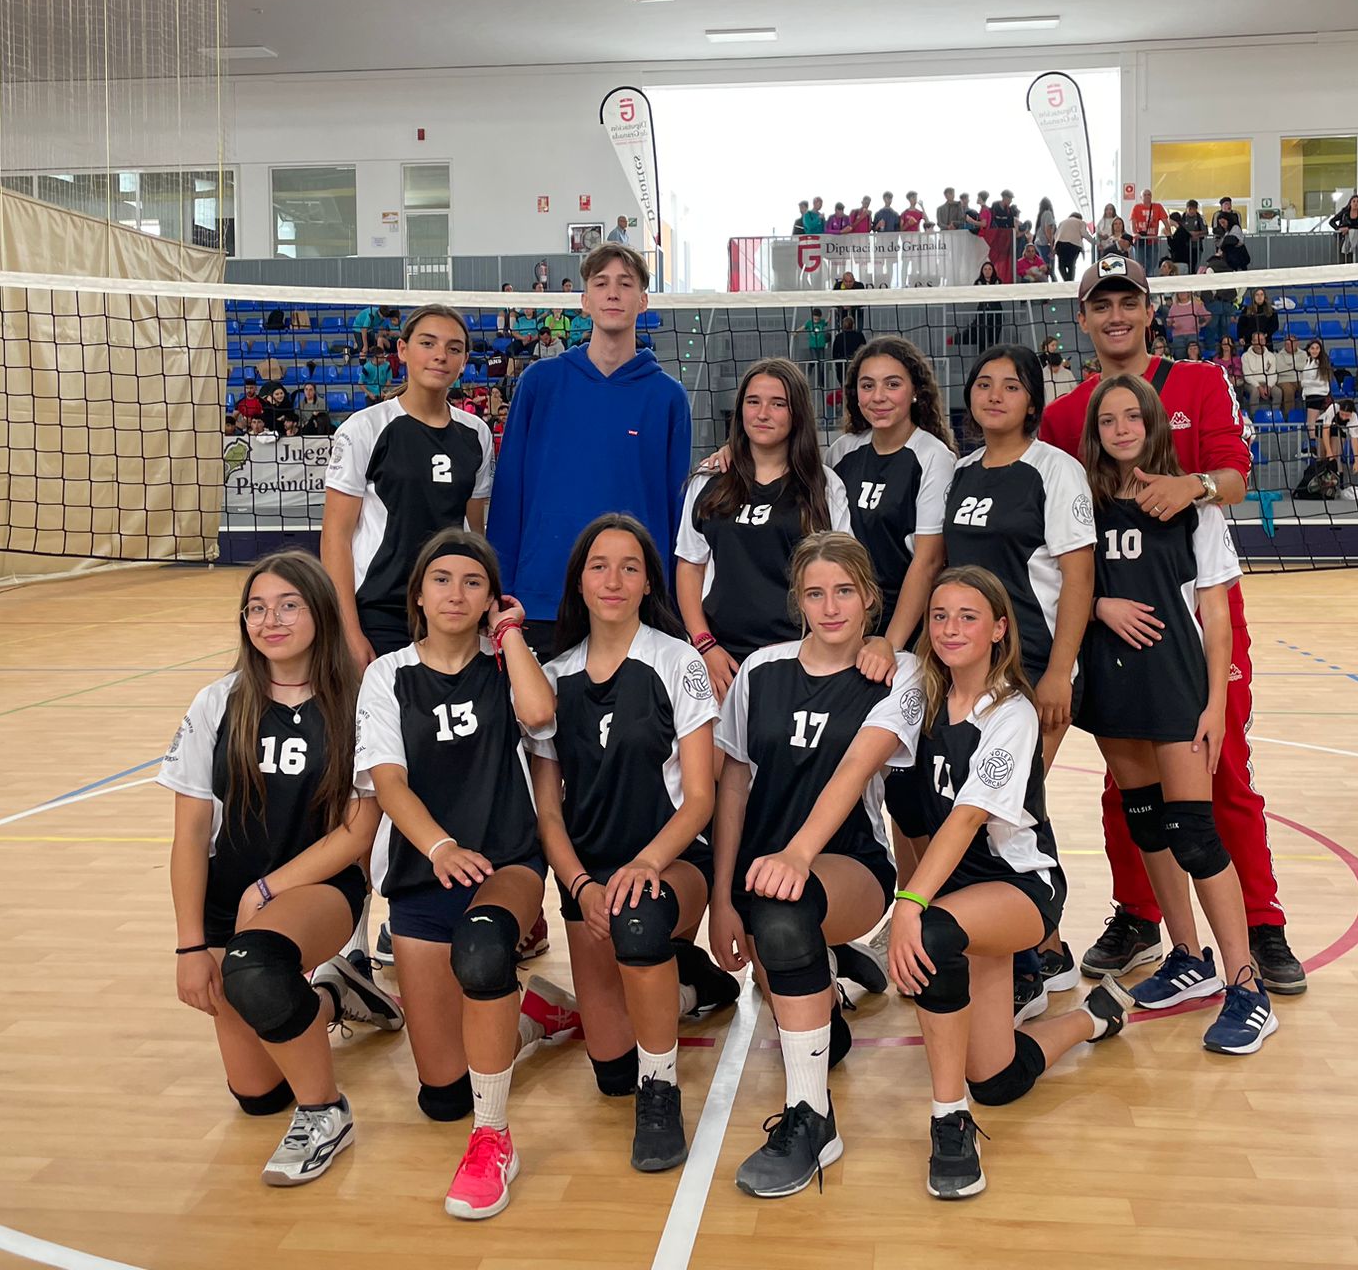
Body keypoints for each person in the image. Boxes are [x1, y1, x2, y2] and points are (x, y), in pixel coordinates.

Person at [1038, 251, 1304, 996]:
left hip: (1193, 610)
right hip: (1108, 620)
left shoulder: (1198, 382)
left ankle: (1261, 922)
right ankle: (1140, 914)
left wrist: (1193, 486)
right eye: (1101, 304)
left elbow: (1234, 476)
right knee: (1125, 786)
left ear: (1151, 310)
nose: (1116, 315)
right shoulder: (1064, 415)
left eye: (1129, 301)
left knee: (1222, 767)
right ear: (1083, 319)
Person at [883, 567, 1125, 1199]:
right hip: (958, 894)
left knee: (930, 936)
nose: (950, 628)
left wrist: (908, 903)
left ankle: (948, 1121)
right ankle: (1092, 1019)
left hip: (1020, 888)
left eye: (968, 616)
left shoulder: (1012, 713)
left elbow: (966, 819)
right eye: (939, 615)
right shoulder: (918, 692)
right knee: (997, 1079)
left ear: (998, 629)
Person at [162, 552, 391, 1187]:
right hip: (228, 899)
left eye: (289, 605)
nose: (271, 620)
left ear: (320, 612)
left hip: (318, 888)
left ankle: (325, 1113)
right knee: (258, 1096)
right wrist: (189, 946)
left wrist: (269, 889)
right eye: (257, 608)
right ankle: (337, 994)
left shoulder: (358, 702)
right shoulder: (218, 702)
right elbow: (189, 836)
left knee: (256, 970)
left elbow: (358, 832)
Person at [711, 533, 928, 1196]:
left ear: (869, 598)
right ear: (797, 601)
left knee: (784, 916)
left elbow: (859, 765)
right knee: (807, 1010)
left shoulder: (900, 673)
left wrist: (799, 854)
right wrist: (721, 898)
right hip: (762, 873)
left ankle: (812, 1120)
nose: (830, 607)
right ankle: (830, 977)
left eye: (844, 592)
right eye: (814, 593)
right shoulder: (761, 670)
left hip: (846, 863)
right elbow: (734, 784)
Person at [353, 530, 558, 1220]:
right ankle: (534, 1018)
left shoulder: (508, 666)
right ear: (417, 594)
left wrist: (511, 635)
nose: (455, 594)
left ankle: (494, 1136)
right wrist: (439, 847)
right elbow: (387, 781)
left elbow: (540, 715)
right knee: (443, 1094)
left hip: (505, 863)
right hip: (424, 875)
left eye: (473, 582)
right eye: (441, 579)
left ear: (491, 598)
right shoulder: (388, 675)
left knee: (483, 949)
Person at [1075, 377, 1272, 1052]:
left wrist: (1215, 704)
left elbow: (1216, 613)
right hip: (1111, 683)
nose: (1122, 428)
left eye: (1133, 416)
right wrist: (1099, 606)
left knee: (1194, 833)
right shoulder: (1082, 504)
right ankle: (1188, 958)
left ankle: (1247, 985)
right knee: (1145, 823)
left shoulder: (1192, 505)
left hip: (1176, 683)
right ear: (1095, 432)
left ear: (1154, 424)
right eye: (1109, 419)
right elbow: (1059, 585)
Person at [531, 516, 731, 1174]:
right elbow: (549, 814)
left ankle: (662, 1089)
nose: (613, 580)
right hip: (589, 879)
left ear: (649, 583)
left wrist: (646, 863)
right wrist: (581, 886)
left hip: (669, 864)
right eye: (599, 566)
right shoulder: (551, 677)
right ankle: (689, 983)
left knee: (639, 922)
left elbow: (700, 798)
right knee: (610, 1071)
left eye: (629, 567)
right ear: (578, 582)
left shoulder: (678, 662)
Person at [942, 342, 1095, 1013]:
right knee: (991, 808)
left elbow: (1080, 578)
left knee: (1009, 809)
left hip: (1032, 668)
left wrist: (1060, 673)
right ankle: (1044, 949)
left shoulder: (1055, 471)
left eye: (1010, 385)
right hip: (970, 669)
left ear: (1033, 400)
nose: (995, 395)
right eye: (984, 383)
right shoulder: (960, 472)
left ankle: (1034, 959)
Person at [489, 244, 693, 657]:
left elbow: (677, 511)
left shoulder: (668, 397)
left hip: (633, 603)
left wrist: (670, 604)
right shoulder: (540, 382)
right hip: (542, 598)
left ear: (643, 301)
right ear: (585, 300)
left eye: (625, 284)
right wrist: (499, 589)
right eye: (601, 284)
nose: (613, 293)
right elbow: (509, 494)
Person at [322, 306, 494, 665]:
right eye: (427, 343)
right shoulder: (365, 428)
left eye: (454, 348)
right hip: (381, 609)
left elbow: (474, 534)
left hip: (449, 609)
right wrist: (348, 631)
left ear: (464, 360)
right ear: (402, 350)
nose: (440, 355)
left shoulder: (476, 434)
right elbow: (335, 536)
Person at [677, 358, 852, 695]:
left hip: (799, 653)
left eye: (778, 404)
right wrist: (704, 645)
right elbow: (689, 566)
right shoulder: (708, 481)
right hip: (722, 657)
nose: (762, 414)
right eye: (753, 401)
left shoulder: (823, 486)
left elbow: (844, 577)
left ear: (797, 412)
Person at [824, 337, 957, 678]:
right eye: (867, 385)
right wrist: (735, 452)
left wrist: (890, 643)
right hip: (847, 614)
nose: (878, 397)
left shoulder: (933, 457)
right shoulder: (842, 452)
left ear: (915, 391)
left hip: (907, 621)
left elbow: (928, 562)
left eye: (892, 384)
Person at [1039, 334, 1078, 406]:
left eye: (1056, 345)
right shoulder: (1040, 360)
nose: (1055, 347)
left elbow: (1073, 386)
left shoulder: (1058, 358)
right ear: (1046, 346)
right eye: (1052, 345)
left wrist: (1066, 366)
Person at [1329, 194, 1358, 262]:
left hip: (1353, 237)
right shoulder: (1344, 211)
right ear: (1350, 203)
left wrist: (1348, 228)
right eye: (1354, 201)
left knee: (1351, 256)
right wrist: (1339, 229)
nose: (1356, 203)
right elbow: (1331, 221)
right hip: (1341, 237)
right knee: (1341, 256)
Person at [1054, 210, 1088, 284]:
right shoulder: (1080, 223)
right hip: (1074, 246)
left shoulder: (1063, 223)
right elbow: (1082, 235)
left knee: (1061, 266)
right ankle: (1070, 281)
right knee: (1071, 265)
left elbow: (1056, 235)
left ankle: (1067, 281)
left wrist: (1054, 248)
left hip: (1061, 245)